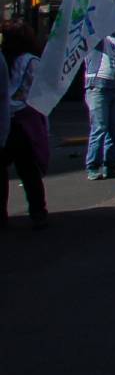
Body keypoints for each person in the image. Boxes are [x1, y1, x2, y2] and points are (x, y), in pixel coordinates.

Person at [1, 20, 48, 229]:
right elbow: (35, 92)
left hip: (4, 118)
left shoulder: (4, 59)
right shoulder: (31, 61)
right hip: (23, 120)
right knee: (28, 170)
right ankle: (38, 211)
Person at [83, 31, 115, 180]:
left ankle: (110, 165)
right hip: (98, 87)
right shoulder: (97, 36)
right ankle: (93, 166)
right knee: (99, 127)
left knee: (114, 128)